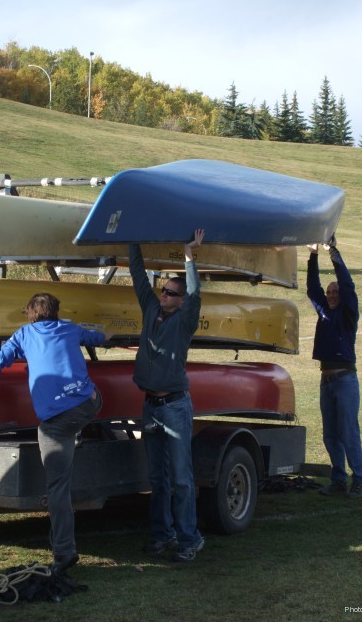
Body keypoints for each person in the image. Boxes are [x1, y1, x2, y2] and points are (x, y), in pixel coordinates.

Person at [0, 292, 112, 574]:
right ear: (56, 311)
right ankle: (76, 431)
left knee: (57, 488)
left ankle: (64, 553)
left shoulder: (23, 335)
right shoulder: (69, 328)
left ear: (29, 313)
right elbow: (99, 338)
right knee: (79, 412)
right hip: (87, 404)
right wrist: (111, 331)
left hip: (56, 422)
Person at [129, 229, 205, 562]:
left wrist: (189, 254)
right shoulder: (150, 308)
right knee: (157, 478)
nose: (163, 294)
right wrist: (133, 238)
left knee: (181, 478)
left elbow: (196, 292)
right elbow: (138, 276)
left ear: (181, 300)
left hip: (174, 406)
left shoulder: (185, 321)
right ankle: (163, 534)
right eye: (163, 289)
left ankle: (190, 540)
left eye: (171, 292)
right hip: (151, 406)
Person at [306, 236, 362, 498]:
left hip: (345, 381)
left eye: (335, 293)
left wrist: (332, 252)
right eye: (329, 292)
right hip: (327, 382)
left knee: (348, 431)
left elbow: (347, 283)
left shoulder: (347, 314)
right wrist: (312, 255)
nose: (331, 295)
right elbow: (313, 288)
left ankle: (360, 478)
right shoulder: (324, 312)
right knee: (330, 434)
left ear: (343, 297)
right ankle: (339, 479)